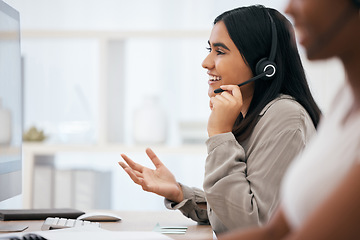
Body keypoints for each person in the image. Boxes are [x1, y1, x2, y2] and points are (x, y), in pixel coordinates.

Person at [118, 5, 321, 235]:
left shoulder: (285, 116)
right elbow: (235, 207)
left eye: (220, 51)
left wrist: (220, 134)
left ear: (263, 65)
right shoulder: (255, 116)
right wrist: (179, 193)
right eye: (210, 49)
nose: (206, 62)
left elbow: (250, 224)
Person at [218, 0, 360, 239]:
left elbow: (257, 221)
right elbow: (274, 231)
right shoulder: (344, 100)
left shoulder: (286, 115)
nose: (289, 9)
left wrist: (219, 134)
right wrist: (184, 195)